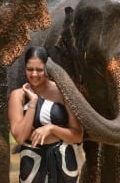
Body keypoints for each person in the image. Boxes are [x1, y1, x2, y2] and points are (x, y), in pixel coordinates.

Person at [8, 46, 83, 183]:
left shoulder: (63, 92)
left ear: (47, 69)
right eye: (30, 69)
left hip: (63, 160)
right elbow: (20, 137)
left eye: (39, 70)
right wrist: (33, 103)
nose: (34, 74)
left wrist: (51, 128)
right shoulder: (17, 96)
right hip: (31, 162)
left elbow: (77, 136)